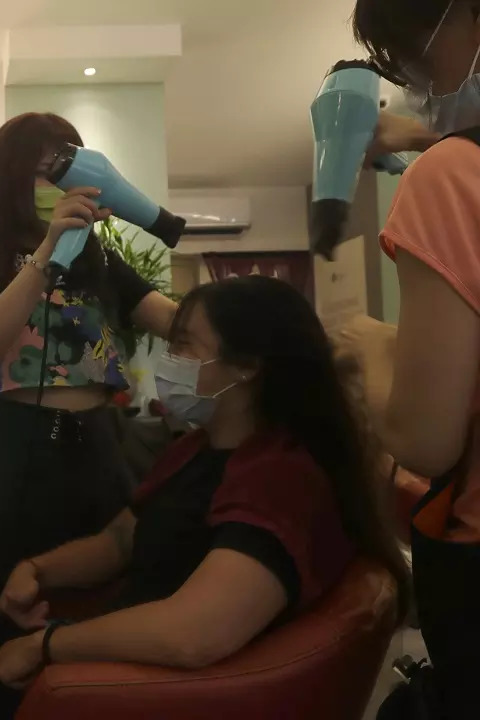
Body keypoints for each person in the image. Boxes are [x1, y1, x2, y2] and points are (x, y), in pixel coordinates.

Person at [0, 276, 408, 720]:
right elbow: (119, 541)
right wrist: (38, 568)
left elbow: (196, 632)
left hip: (133, 688)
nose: (170, 357)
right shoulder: (198, 449)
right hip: (101, 651)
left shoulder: (282, 476)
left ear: (246, 367)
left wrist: (47, 645)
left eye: (186, 344)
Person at [0, 112, 178, 604]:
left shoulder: (100, 261)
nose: (57, 185)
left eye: (66, 170)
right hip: (21, 453)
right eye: (42, 172)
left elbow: (174, 321)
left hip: (103, 452)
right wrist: (46, 254)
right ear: (9, 179)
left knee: (108, 595)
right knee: (3, 607)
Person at [345, 1, 480, 714]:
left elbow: (426, 440)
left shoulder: (450, 178)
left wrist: (372, 345)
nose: (421, 84)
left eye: (419, 59)